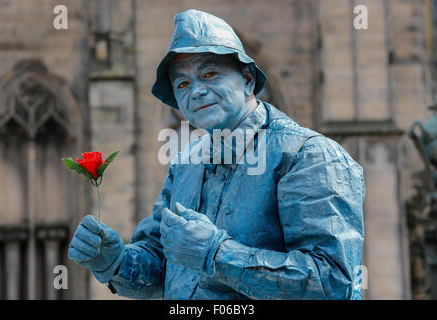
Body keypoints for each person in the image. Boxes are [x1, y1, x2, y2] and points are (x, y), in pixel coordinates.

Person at [68, 9, 365, 300]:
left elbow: (333, 284)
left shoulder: (309, 155)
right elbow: (161, 268)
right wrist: (115, 261)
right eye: (183, 84)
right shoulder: (185, 163)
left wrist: (217, 254)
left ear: (248, 80)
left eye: (209, 73)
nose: (196, 91)